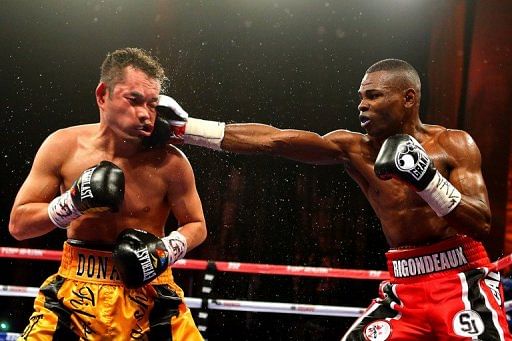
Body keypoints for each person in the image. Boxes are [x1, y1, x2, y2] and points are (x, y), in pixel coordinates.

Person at [157, 59, 511, 340]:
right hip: (404, 288)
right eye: (360, 97)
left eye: (373, 96)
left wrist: (427, 179)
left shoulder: (453, 144)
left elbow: (480, 222)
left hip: (463, 281)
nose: (362, 105)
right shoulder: (353, 149)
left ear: (408, 98)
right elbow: (276, 141)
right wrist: (188, 129)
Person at [9, 47, 207, 340]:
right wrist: (73, 202)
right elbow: (19, 226)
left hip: (152, 295)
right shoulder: (63, 146)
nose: (145, 113)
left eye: (153, 104)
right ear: (103, 95)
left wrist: (166, 250)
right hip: (73, 295)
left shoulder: (170, 162)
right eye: (134, 100)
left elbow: (197, 225)